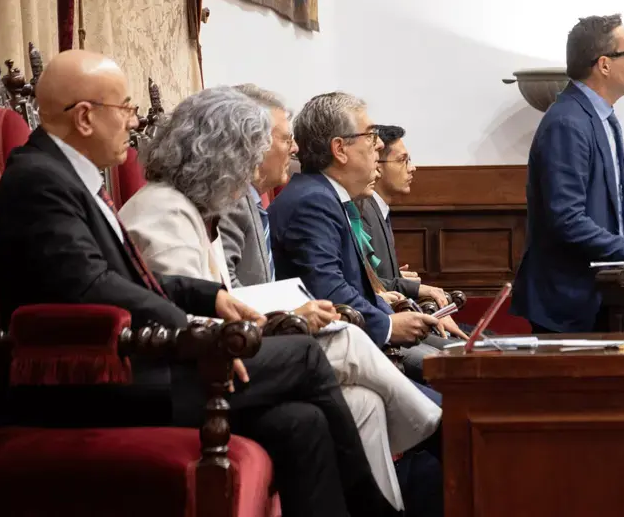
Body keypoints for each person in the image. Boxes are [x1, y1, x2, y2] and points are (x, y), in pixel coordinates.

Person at [0, 49, 400, 517]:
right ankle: (374, 509)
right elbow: (93, 290)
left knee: (298, 422)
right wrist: (200, 336)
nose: (132, 121)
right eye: (125, 108)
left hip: (128, 361)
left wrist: (211, 297)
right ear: (84, 117)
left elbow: (132, 279)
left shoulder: (66, 177)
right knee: (304, 354)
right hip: (94, 379)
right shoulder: (39, 183)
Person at [118, 85, 442, 511]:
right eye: (250, 154)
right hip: (188, 373)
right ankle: (436, 432)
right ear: (224, 154)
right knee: (341, 341)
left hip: (223, 355)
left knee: (353, 403)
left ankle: (385, 502)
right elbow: (186, 319)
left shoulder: (195, 209)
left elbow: (221, 300)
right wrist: (281, 320)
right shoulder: (165, 211)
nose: (257, 167)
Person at [510, 14, 624, 334]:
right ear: (604, 65)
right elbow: (566, 219)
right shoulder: (567, 122)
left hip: (603, 294)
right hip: (569, 301)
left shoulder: (602, 117)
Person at [265, 92, 445, 384]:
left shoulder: (325, 195)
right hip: (324, 351)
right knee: (446, 402)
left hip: (350, 338)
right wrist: (387, 325)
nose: (379, 147)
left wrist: (388, 310)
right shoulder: (313, 201)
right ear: (340, 149)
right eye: (371, 137)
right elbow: (328, 288)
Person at [356, 124, 468, 344]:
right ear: (377, 166)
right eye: (403, 160)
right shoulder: (362, 211)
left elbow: (377, 277)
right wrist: (414, 287)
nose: (412, 168)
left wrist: (399, 277)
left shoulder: (379, 209)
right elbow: (368, 286)